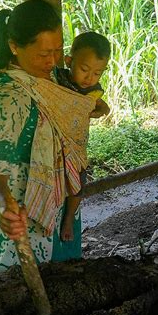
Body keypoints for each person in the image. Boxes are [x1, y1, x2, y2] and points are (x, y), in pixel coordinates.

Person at [0, 0, 87, 278]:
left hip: (59, 201)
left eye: (58, 51)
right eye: (43, 54)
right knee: (16, 292)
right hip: (24, 209)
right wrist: (4, 209)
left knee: (64, 284)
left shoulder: (55, 78)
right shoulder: (9, 92)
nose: (52, 61)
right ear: (15, 46)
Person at [55, 32, 111, 242]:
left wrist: (102, 109)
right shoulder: (56, 80)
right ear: (69, 62)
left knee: (78, 184)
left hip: (77, 147)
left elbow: (97, 108)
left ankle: (68, 218)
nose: (90, 78)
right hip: (54, 145)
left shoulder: (93, 92)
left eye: (97, 73)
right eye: (84, 69)